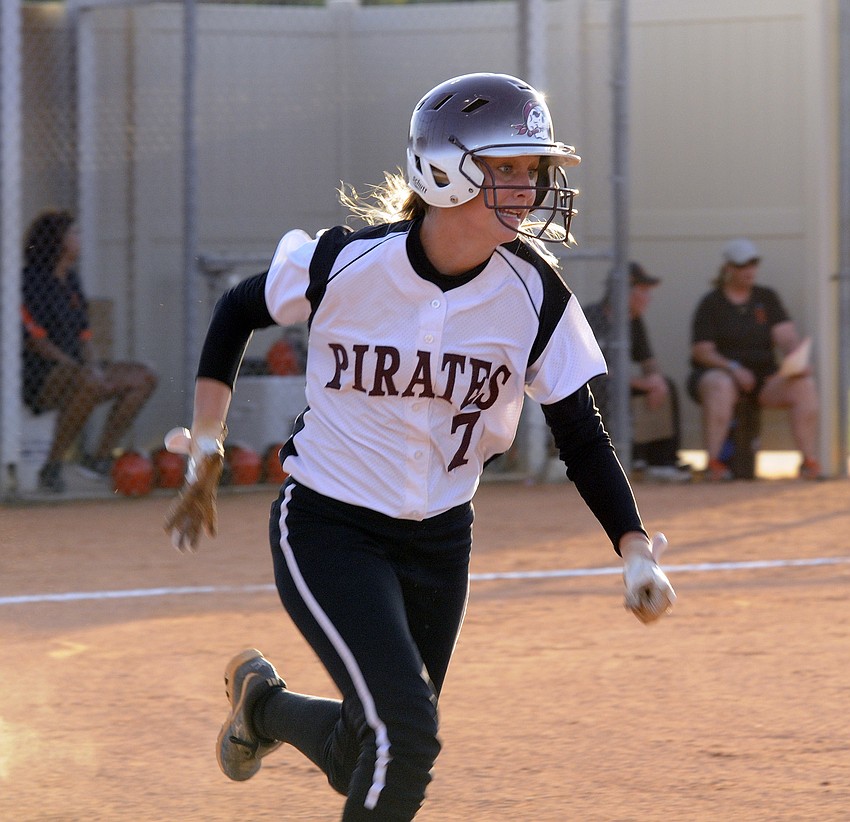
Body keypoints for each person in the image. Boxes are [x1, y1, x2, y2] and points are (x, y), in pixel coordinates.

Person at [163, 73, 676, 822]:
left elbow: (582, 436)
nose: (529, 187)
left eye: (533, 170)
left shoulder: (537, 296)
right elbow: (238, 309)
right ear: (444, 168)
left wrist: (634, 547)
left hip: (441, 540)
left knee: (366, 751)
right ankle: (275, 707)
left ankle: (263, 706)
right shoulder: (346, 262)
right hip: (329, 526)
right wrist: (207, 440)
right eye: (507, 168)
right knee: (406, 733)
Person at [20, 208, 158, 492]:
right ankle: (52, 466)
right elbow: (35, 340)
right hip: (40, 377)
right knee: (88, 379)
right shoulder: (30, 281)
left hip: (78, 370)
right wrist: (78, 368)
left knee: (144, 376)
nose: (80, 238)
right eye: (74, 233)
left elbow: (85, 336)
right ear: (56, 241)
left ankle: (99, 458)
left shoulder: (71, 280)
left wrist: (92, 365)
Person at [687, 237, 821, 481]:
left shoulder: (766, 298)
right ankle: (713, 465)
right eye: (742, 265)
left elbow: (787, 338)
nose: (749, 270)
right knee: (720, 385)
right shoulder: (711, 303)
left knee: (804, 387)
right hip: (721, 375)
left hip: (762, 379)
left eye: (753, 263)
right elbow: (702, 351)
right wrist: (733, 368)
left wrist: (796, 362)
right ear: (728, 268)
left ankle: (808, 462)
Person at [584, 262, 691, 482]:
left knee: (666, 386)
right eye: (643, 291)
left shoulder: (633, 322)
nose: (648, 298)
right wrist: (642, 384)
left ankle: (661, 461)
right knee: (608, 387)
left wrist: (655, 381)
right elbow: (594, 369)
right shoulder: (590, 317)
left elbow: (649, 362)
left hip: (622, 384)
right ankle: (616, 455)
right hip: (592, 389)